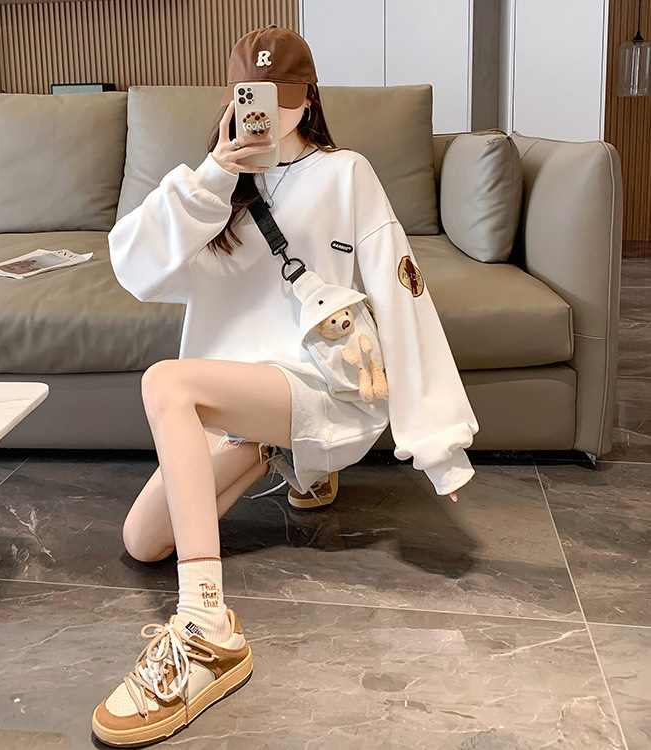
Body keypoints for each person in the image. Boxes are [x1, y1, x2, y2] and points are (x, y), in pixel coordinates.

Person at [91, 24, 480, 746]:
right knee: (142, 542)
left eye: (287, 97)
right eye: (256, 96)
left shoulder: (346, 173)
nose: (273, 112)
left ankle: (206, 629)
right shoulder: (211, 184)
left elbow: (402, 296)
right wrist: (215, 173)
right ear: (235, 99)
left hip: (320, 382)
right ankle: (277, 452)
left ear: (310, 98)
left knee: (166, 385)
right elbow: (134, 270)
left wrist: (438, 443)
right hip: (241, 400)